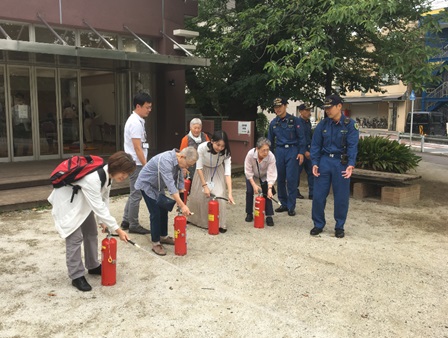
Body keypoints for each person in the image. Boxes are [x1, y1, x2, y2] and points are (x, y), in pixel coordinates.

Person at [48, 151, 135, 291]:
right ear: (115, 167)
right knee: (75, 238)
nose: (124, 177)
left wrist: (103, 221)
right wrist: (117, 229)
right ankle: (76, 275)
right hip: (68, 204)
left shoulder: (108, 177)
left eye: (127, 174)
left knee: (91, 233)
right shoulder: (93, 178)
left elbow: (104, 199)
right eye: (123, 173)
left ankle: (93, 265)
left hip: (83, 202)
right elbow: (98, 206)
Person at [310, 95, 359, 238]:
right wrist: (315, 162)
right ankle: (318, 224)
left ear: (339, 106)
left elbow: (352, 146)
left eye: (330, 108)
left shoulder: (350, 125)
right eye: (325, 108)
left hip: (341, 164)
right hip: (324, 162)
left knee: (341, 197)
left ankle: (339, 226)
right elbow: (315, 145)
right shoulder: (323, 124)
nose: (327, 111)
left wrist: (351, 164)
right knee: (318, 195)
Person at [135, 147, 198, 256]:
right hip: (147, 184)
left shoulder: (179, 161)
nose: (188, 167)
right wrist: (182, 205)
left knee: (164, 209)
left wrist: (182, 197)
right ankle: (156, 243)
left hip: (158, 187)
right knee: (155, 212)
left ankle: (163, 236)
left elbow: (180, 181)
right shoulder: (166, 160)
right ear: (182, 156)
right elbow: (171, 186)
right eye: (188, 164)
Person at [187, 130, 235, 233]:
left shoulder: (225, 152)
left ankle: (220, 223)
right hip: (203, 171)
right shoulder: (202, 147)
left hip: (217, 171)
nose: (220, 148)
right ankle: (196, 219)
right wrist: (205, 186)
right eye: (218, 145)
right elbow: (198, 167)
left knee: (219, 195)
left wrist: (230, 193)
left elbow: (227, 173)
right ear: (212, 141)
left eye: (223, 146)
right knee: (199, 196)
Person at [267, 97, 305, 216]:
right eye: (275, 107)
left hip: (292, 151)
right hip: (279, 152)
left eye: (279, 106)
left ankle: (291, 205)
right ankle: (283, 203)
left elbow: (301, 138)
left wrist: (301, 152)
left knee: (291, 179)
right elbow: (270, 141)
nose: (277, 109)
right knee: (280, 178)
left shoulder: (294, 121)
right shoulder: (273, 123)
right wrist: (269, 156)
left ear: (285, 106)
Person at [121, 92, 152, 234]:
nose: (149, 110)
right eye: (147, 107)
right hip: (136, 163)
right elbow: (137, 147)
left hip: (134, 161)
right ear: (138, 106)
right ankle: (133, 224)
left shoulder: (137, 120)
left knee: (134, 192)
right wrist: (146, 164)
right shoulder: (135, 122)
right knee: (136, 194)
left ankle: (126, 220)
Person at [244, 137, 278, 226]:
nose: (266, 152)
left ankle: (269, 215)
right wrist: (254, 185)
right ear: (257, 149)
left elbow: (271, 173)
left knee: (267, 193)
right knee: (249, 191)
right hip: (252, 174)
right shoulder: (250, 154)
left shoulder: (271, 156)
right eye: (263, 150)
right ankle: (249, 213)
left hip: (265, 175)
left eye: (267, 150)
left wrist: (270, 188)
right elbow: (248, 171)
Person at [297, 103, 315, 200]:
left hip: (308, 150)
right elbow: (299, 139)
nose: (309, 112)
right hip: (300, 152)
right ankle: (295, 191)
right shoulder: (297, 122)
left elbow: (309, 137)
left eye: (309, 110)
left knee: (311, 172)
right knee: (297, 172)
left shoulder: (308, 122)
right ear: (301, 111)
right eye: (306, 110)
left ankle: (312, 193)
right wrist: (304, 152)